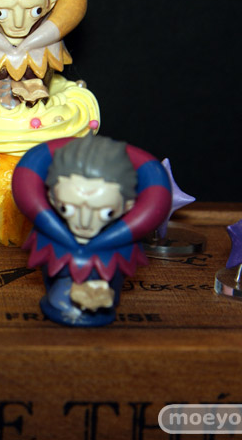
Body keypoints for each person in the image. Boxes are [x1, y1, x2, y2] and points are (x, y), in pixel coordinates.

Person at [12, 135, 171, 326]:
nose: (84, 222)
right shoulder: (49, 240)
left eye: (106, 212)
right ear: (52, 198)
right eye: (67, 208)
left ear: (127, 206)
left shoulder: (122, 248)